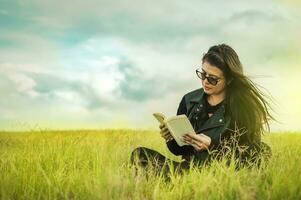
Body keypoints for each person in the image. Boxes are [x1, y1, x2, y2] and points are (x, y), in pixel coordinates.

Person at [130, 44, 274, 177]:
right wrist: (170, 138)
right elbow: (181, 151)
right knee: (140, 154)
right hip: (187, 170)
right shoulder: (189, 100)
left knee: (263, 150)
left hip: (221, 174)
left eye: (213, 79)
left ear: (229, 80)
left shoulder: (245, 107)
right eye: (203, 74)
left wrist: (211, 146)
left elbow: (250, 155)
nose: (205, 81)